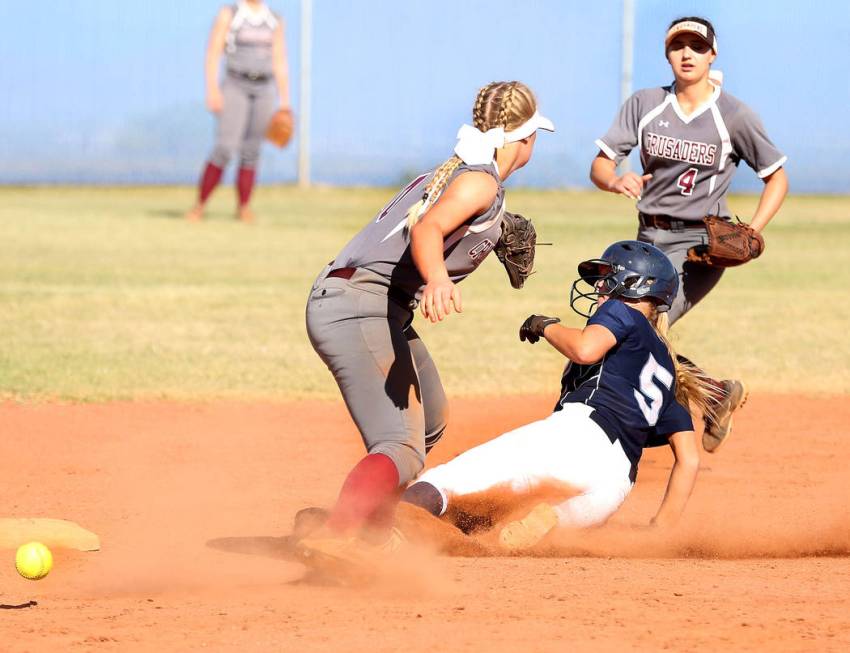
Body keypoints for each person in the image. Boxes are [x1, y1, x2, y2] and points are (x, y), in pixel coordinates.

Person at [297, 81, 555, 561]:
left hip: (375, 305)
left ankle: (371, 526)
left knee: (430, 419)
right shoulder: (479, 182)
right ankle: (338, 535)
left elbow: (441, 223)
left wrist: (493, 231)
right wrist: (439, 280)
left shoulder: (461, 175)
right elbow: (427, 228)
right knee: (400, 443)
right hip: (358, 303)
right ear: (525, 138)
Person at [402, 241, 714, 551]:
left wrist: (545, 325)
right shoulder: (669, 376)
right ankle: (549, 519)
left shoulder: (622, 312)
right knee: (500, 523)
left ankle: (375, 532)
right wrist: (661, 527)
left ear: (636, 286)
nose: (600, 287)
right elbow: (688, 459)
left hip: (577, 438)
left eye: (608, 277)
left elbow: (584, 348)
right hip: (612, 487)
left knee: (446, 483)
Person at [589, 16, 788, 452]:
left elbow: (777, 177)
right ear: (667, 54)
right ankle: (715, 395)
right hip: (644, 241)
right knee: (614, 326)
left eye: (697, 46)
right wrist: (615, 180)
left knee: (638, 327)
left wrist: (752, 230)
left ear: (712, 54)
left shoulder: (733, 116)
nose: (687, 53)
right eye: (678, 45)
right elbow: (601, 165)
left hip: (698, 247)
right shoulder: (645, 104)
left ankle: (636, 425)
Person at [186, 1, 291, 223]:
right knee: (225, 147)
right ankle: (199, 205)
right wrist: (212, 89)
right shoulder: (231, 14)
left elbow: (279, 60)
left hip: (264, 88)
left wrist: (285, 102)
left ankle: (244, 207)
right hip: (235, 84)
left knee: (252, 150)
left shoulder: (274, 18)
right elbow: (213, 52)